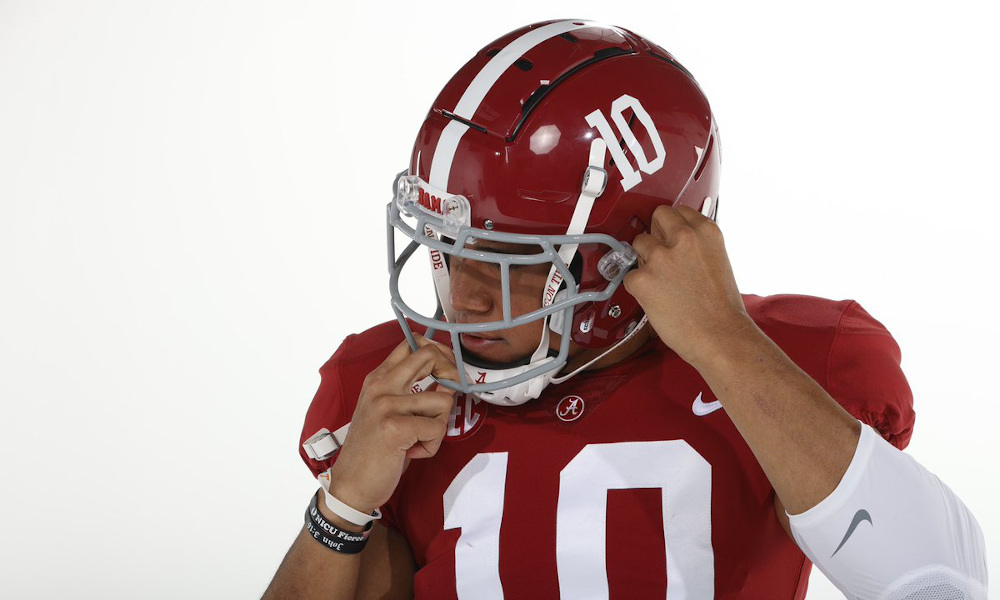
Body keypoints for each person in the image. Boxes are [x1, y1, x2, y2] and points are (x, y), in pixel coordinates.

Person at [263, 20, 988, 600]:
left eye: (508, 264)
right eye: (447, 252)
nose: (464, 297)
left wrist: (724, 341)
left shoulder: (790, 363)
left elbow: (936, 584)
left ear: (627, 255)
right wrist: (344, 506)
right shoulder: (398, 399)